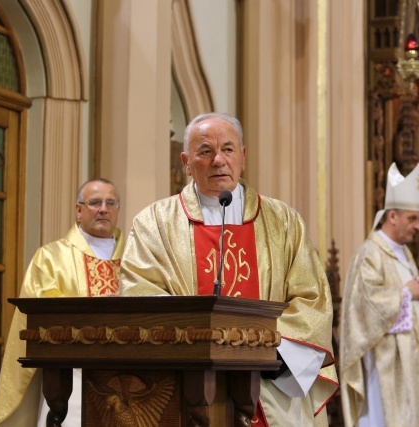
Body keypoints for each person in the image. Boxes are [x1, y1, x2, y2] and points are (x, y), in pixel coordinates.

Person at [118, 113, 337, 426]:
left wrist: (271, 355)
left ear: (243, 157)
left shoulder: (283, 221)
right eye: (205, 151)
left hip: (270, 386)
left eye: (228, 149)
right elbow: (140, 294)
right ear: (186, 161)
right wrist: (195, 343)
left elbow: (311, 297)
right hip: (186, 385)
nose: (218, 160)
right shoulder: (155, 223)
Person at [0, 179, 125, 427]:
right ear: (78, 210)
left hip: (128, 382)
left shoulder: (136, 261)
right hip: (69, 381)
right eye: (95, 202)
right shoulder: (51, 258)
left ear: (117, 209)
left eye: (110, 203)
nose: (103, 209)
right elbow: (44, 317)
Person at [340, 163, 419, 427]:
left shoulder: (405, 254)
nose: (417, 226)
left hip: (414, 364)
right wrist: (405, 293)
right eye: (412, 219)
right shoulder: (370, 253)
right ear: (392, 216)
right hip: (387, 368)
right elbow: (363, 308)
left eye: (418, 219)